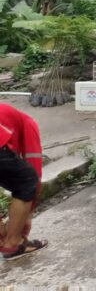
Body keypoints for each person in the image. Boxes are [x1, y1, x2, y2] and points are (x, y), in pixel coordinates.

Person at [0, 103, 47, 260]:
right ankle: (13, 244)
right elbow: (34, 170)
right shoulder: (28, 123)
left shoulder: (8, 118)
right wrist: (28, 213)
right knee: (27, 181)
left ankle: (3, 239)